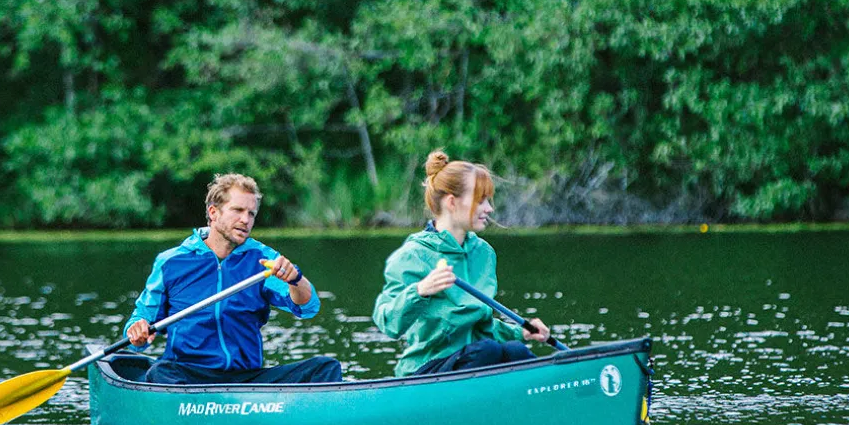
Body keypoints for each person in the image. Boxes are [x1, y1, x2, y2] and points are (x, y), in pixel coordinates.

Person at [125, 172, 342, 384]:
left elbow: (308, 307)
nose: (245, 220)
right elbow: (139, 324)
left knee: (325, 367)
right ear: (213, 212)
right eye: (237, 210)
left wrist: (295, 279)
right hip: (187, 375)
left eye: (251, 214)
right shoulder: (170, 263)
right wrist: (137, 330)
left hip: (246, 379)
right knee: (160, 373)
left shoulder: (263, 259)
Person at [373, 150, 550, 377]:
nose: (489, 209)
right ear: (452, 202)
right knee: (487, 350)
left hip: (477, 355)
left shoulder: (484, 253)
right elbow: (388, 323)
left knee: (515, 351)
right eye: (480, 200)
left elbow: (478, 328)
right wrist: (421, 290)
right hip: (428, 368)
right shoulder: (412, 255)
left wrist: (521, 332)